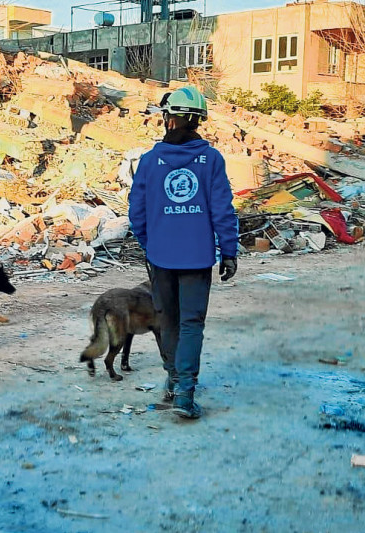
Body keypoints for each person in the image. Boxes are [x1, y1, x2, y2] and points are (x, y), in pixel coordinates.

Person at [128, 86, 238, 420]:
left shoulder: (149, 161)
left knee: (169, 321)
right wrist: (229, 251)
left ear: (169, 119)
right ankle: (185, 395)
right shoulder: (212, 160)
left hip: (161, 259)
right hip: (197, 258)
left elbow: (137, 212)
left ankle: (174, 381)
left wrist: (151, 244)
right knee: (191, 324)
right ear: (197, 121)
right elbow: (223, 210)